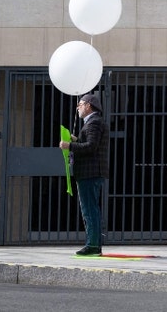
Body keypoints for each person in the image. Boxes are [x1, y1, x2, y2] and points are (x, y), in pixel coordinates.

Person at [59, 92, 109, 256]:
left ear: (88, 105)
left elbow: (91, 147)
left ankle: (93, 245)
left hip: (90, 172)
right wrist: (76, 139)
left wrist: (70, 145)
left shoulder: (93, 122)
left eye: (80, 104)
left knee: (89, 210)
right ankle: (93, 244)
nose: (77, 108)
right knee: (90, 209)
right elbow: (89, 143)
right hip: (91, 172)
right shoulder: (93, 122)